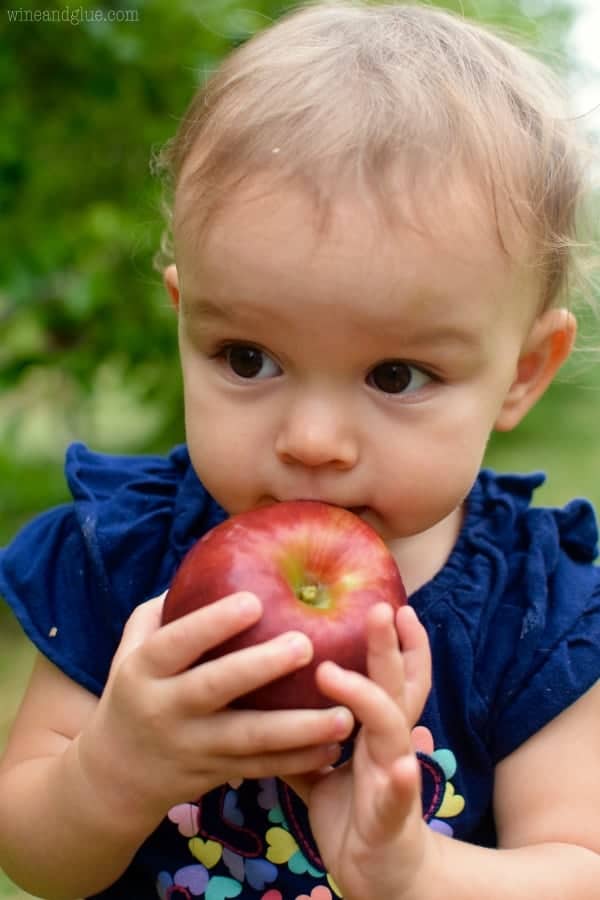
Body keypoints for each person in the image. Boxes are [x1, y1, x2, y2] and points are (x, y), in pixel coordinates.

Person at [1, 2, 600, 898]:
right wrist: (111, 771)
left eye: (396, 375)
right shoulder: (123, 563)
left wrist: (414, 873)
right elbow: (30, 853)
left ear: (521, 374)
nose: (312, 442)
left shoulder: (535, 613)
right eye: (248, 359)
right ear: (183, 320)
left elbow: (578, 868)